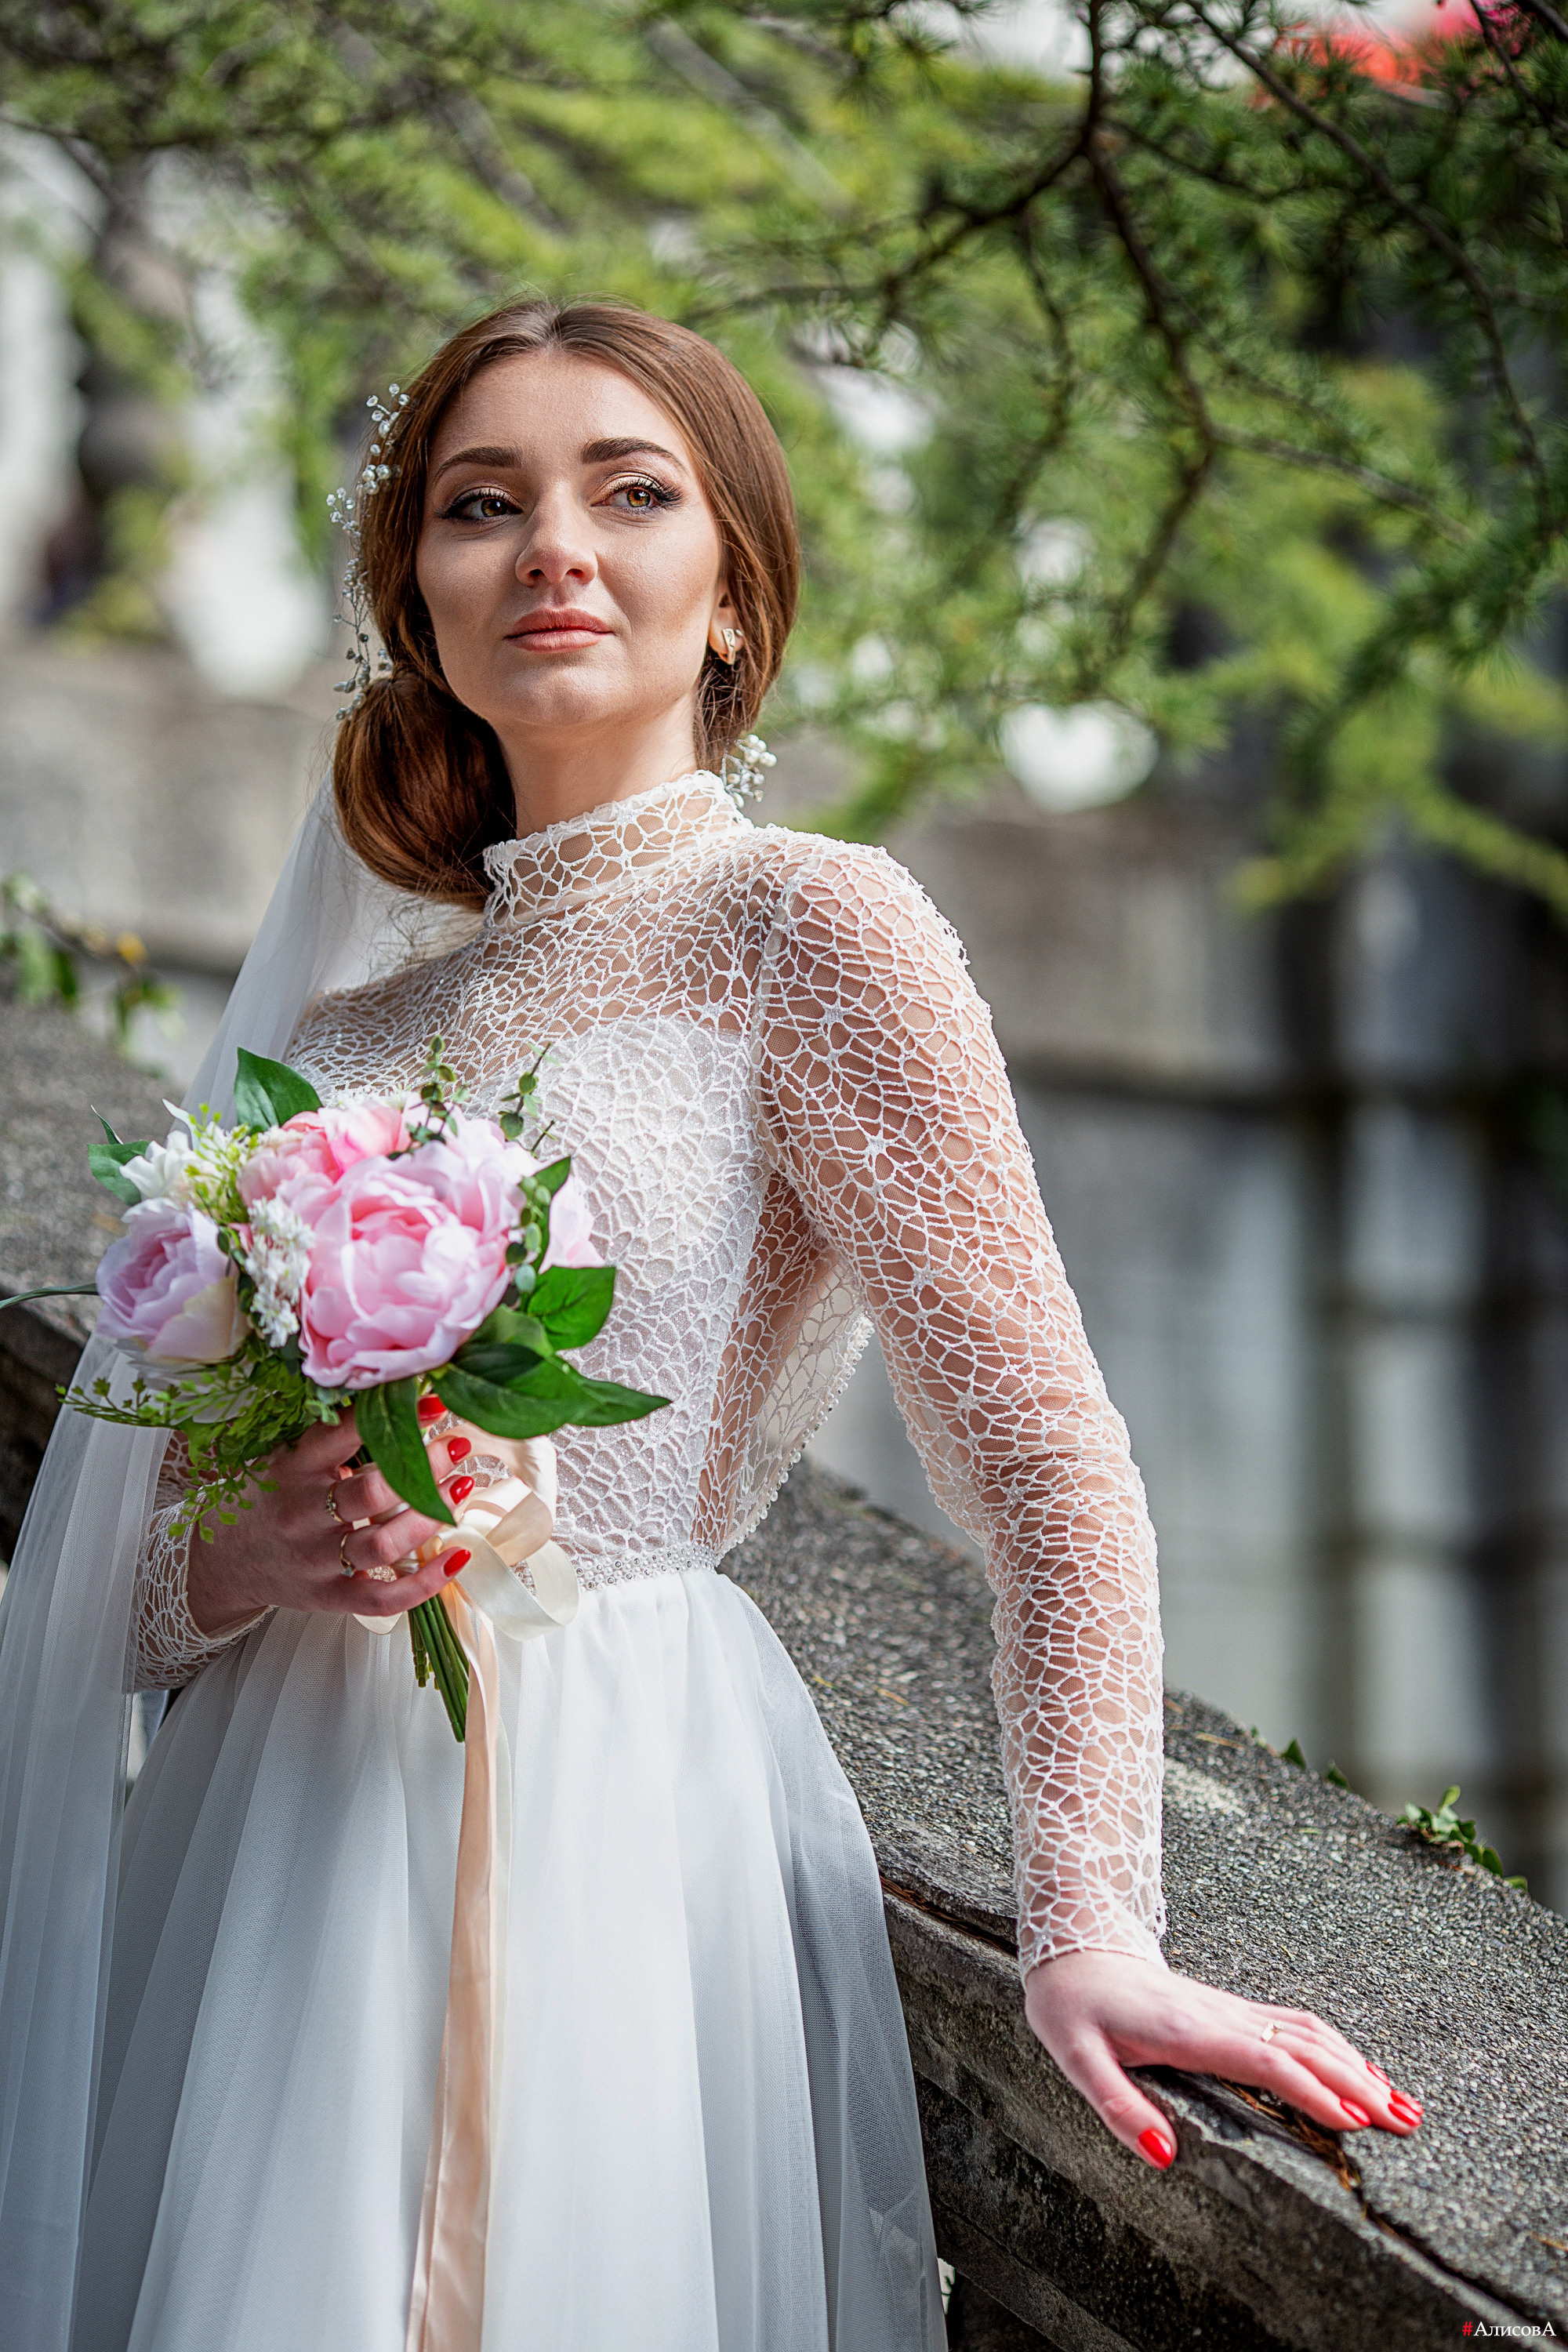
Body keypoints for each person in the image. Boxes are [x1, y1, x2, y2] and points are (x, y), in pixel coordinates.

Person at [0, 299, 1422, 2352]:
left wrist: (1093, 1928)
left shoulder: (813, 932)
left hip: (609, 1800)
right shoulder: (338, 1036)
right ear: (421, 588)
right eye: (485, 504)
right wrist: (248, 1554)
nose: (553, 548)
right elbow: (105, 1594)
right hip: (273, 1866)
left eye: (629, 492)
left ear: (732, 589)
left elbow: (1041, 1456)